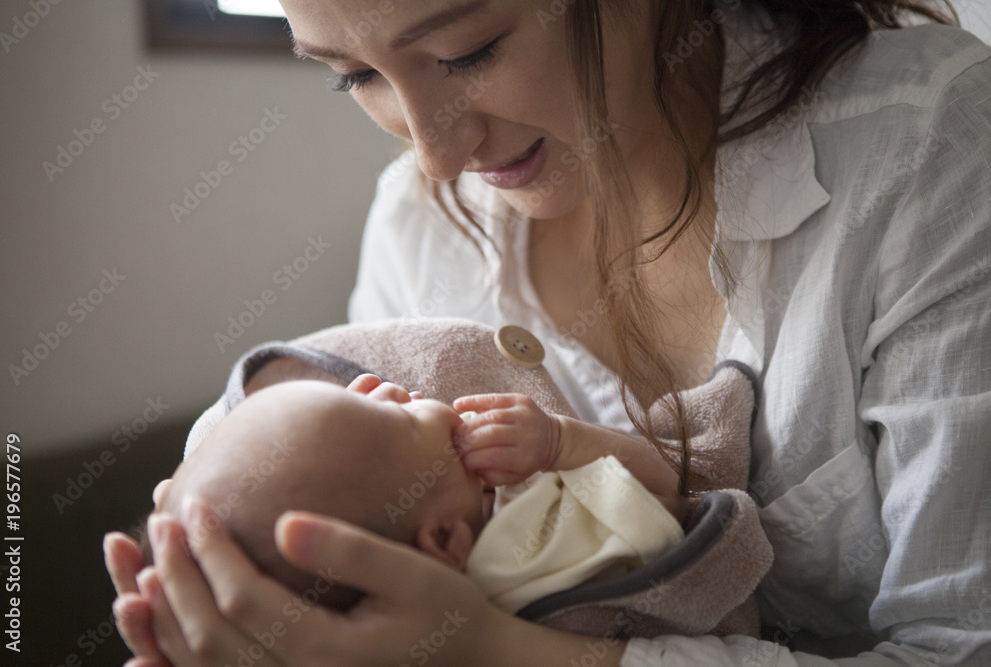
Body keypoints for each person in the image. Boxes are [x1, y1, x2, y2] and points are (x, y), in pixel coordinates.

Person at [104, 0, 991, 664]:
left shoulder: (929, 146)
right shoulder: (420, 226)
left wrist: (501, 654)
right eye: (356, 76)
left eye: (467, 50)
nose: (436, 155)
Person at [138, 377, 689, 615]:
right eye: (395, 417)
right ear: (444, 537)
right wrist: (562, 441)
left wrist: (362, 429)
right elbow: (673, 496)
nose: (393, 389)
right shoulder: (533, 550)